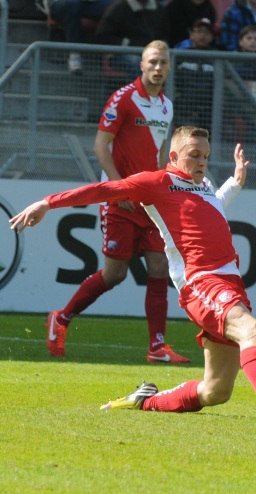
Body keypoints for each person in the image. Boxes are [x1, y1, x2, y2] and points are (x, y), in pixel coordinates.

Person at [10, 127, 256, 424]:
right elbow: (104, 190)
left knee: (215, 391)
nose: (202, 162)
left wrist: (235, 183)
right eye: (194, 155)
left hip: (229, 281)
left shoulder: (204, 185)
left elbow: (212, 207)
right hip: (200, 281)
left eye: (206, 156)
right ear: (173, 156)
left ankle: (143, 401)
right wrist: (48, 202)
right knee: (251, 329)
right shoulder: (156, 182)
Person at [45, 41, 190, 365]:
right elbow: (100, 146)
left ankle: (157, 346)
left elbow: (164, 151)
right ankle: (62, 318)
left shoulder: (166, 106)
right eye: (152, 61)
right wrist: (119, 189)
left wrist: (165, 187)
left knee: (159, 266)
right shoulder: (124, 98)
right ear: (141, 64)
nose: (157, 67)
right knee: (115, 274)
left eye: (163, 62)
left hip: (147, 201)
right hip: (120, 200)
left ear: (168, 67)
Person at [95, 0, 169, 81]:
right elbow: (103, 36)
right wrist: (128, 43)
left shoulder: (159, 9)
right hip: (121, 54)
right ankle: (139, 93)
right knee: (138, 63)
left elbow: (166, 34)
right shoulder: (118, 9)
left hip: (154, 53)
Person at [42, 0, 116, 72]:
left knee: (115, 6)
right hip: (60, 3)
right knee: (73, 4)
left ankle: (113, 60)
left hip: (89, 3)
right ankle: (74, 54)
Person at [174, 18, 218, 130]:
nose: (202, 35)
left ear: (212, 37)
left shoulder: (217, 58)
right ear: (191, 34)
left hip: (208, 108)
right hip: (183, 107)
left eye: (207, 33)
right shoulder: (180, 56)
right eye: (199, 31)